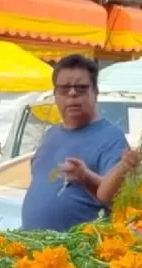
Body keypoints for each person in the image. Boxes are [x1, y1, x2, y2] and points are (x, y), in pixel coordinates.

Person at [21, 54, 130, 231]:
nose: (72, 94)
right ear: (55, 95)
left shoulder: (112, 139)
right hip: (34, 243)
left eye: (81, 88)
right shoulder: (51, 134)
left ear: (95, 93)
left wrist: (86, 176)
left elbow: (118, 197)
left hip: (78, 246)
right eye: (64, 88)